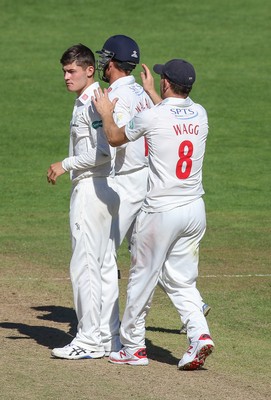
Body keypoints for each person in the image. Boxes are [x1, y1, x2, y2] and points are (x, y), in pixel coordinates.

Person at [92, 58, 215, 370]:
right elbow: (171, 119)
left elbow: (115, 137)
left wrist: (107, 113)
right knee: (181, 280)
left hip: (161, 212)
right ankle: (199, 334)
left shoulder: (152, 115)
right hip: (194, 211)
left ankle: (132, 348)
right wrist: (151, 93)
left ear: (166, 83)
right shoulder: (200, 114)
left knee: (141, 278)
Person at [47, 43, 120, 359]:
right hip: (103, 190)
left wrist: (66, 164)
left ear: (90, 70)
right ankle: (106, 337)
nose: (66, 76)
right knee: (103, 266)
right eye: (64, 71)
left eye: (72, 70)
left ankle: (88, 339)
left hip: (91, 189)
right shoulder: (88, 100)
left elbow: (103, 152)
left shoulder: (92, 102)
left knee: (84, 266)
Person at [95, 34, 153, 352]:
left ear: (114, 64)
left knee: (104, 255)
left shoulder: (116, 95)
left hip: (126, 183)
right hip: (147, 179)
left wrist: (103, 112)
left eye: (105, 59)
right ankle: (195, 315)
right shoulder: (140, 92)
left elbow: (115, 137)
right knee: (149, 256)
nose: (102, 64)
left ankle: (111, 335)